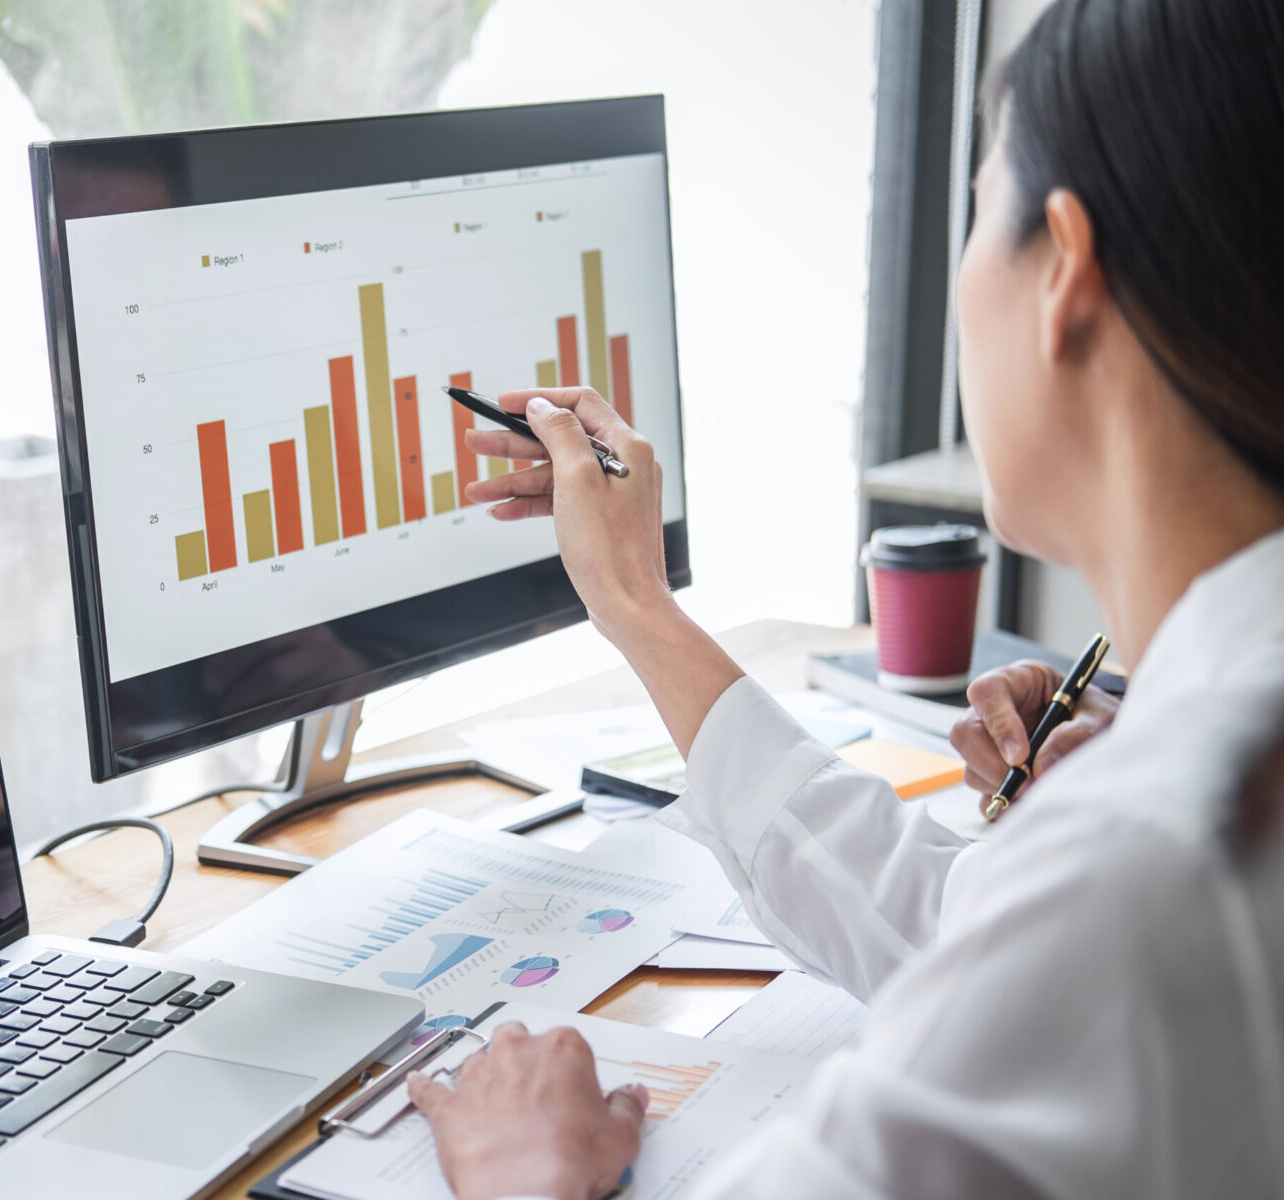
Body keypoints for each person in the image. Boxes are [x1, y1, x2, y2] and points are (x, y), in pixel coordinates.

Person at [406, 0, 1284, 1196]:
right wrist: (642, 611)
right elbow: (969, 928)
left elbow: (1063, 940)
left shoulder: (1163, 854)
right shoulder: (1186, 782)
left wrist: (526, 1174)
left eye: (976, 217)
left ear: (1063, 274)